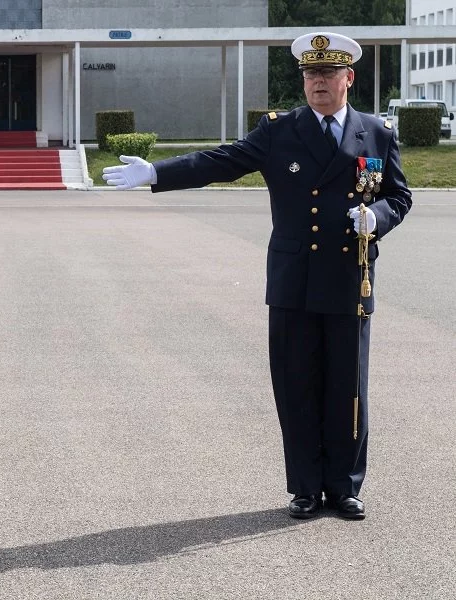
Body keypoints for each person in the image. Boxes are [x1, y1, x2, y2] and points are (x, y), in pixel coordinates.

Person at [103, 32, 411, 520]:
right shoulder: (279, 131)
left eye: (328, 74)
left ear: (348, 78)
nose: (318, 83)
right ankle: (306, 487)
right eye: (310, 74)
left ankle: (345, 485)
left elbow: (399, 195)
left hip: (349, 279)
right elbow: (219, 161)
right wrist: (157, 173)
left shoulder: (375, 132)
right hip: (293, 279)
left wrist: (379, 218)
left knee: (347, 386)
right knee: (297, 385)